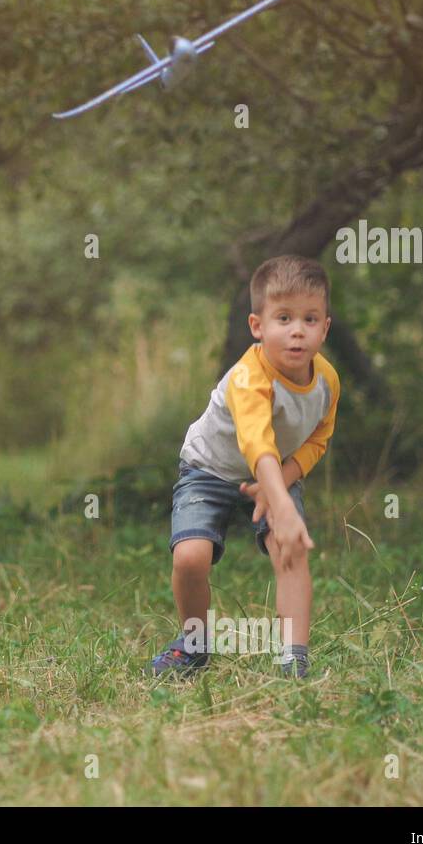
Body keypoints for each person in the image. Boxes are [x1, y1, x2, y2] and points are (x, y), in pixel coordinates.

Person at [152, 255, 340, 679]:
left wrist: (280, 489)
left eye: (310, 319)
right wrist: (282, 504)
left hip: (275, 472)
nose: (297, 330)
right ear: (258, 326)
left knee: (288, 549)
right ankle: (193, 646)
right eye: (284, 318)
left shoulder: (326, 380)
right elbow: (257, 443)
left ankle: (294, 657)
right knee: (191, 558)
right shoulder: (248, 377)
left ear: (325, 328)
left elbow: (317, 439)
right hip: (210, 468)